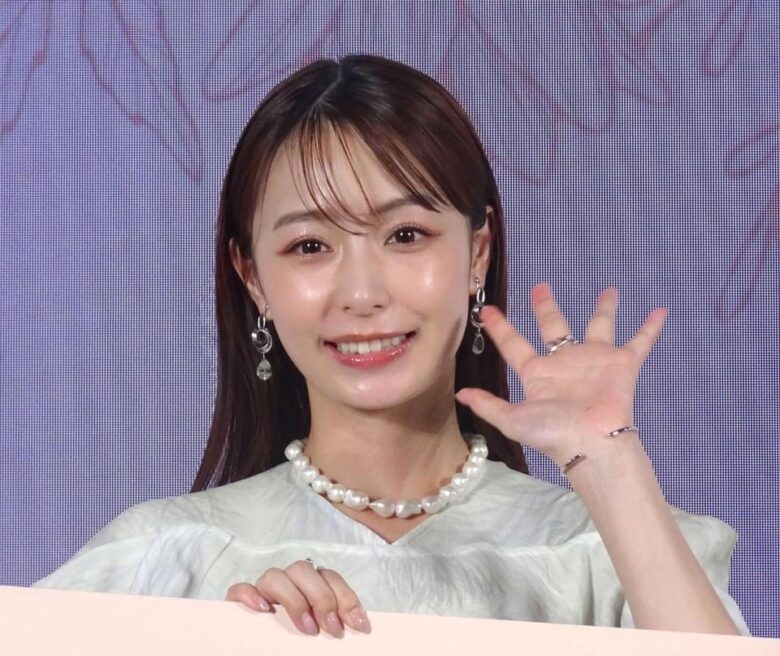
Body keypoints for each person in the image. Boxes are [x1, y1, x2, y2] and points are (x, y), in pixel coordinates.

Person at [31, 54, 751, 639]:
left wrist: (609, 462)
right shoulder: (164, 562)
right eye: (309, 246)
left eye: (405, 235)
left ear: (476, 253)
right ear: (253, 279)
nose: (361, 292)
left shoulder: (600, 560)